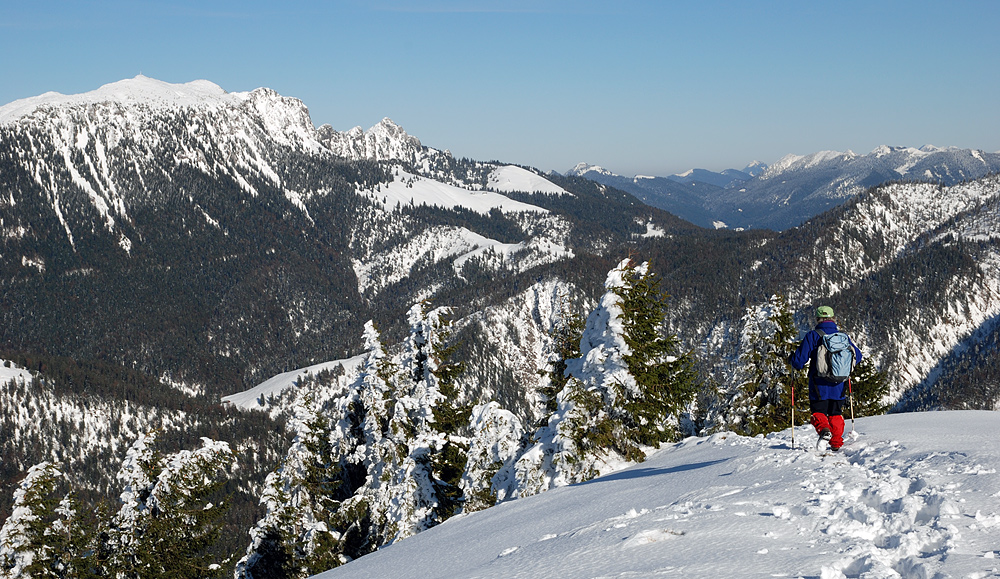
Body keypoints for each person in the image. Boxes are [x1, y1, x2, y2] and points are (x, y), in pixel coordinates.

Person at [789, 305, 862, 451]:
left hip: (819, 383)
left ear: (817, 319)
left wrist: (792, 360)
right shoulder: (843, 337)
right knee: (836, 413)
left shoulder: (813, 336)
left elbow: (799, 361)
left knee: (818, 412)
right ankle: (836, 443)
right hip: (839, 382)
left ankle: (824, 431)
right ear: (833, 318)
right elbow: (858, 356)